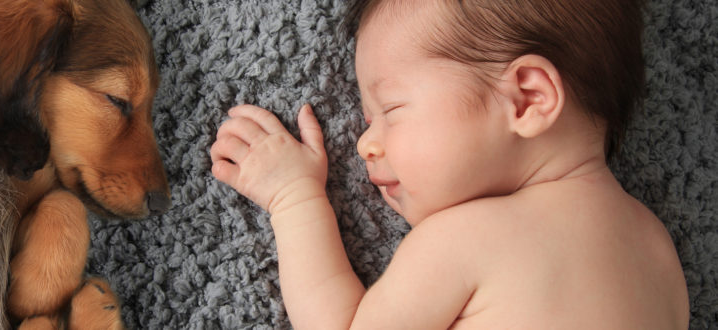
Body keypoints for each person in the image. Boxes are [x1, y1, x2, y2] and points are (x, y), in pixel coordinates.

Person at [209, 0, 690, 328]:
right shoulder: (657, 247)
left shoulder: (467, 237)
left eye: (390, 111)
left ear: (526, 99)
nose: (363, 144)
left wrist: (294, 197)